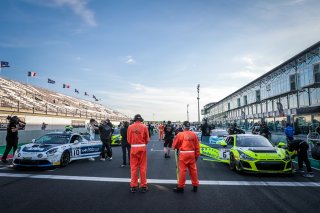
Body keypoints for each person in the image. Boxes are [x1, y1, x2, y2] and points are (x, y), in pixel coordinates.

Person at [172, 121, 200, 192]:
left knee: (182, 171)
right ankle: (195, 186)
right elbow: (197, 147)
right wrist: (196, 156)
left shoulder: (180, 134)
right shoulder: (194, 135)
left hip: (183, 154)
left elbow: (174, 145)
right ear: (189, 126)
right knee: (193, 170)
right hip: (192, 154)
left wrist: (177, 146)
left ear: (183, 126)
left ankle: (181, 187)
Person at [127, 114, 149, 193]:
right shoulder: (144, 127)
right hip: (142, 147)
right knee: (142, 167)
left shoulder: (130, 127)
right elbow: (147, 139)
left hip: (133, 148)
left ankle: (133, 186)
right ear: (141, 119)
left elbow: (128, 140)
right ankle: (143, 185)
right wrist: (143, 143)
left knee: (134, 167)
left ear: (134, 119)